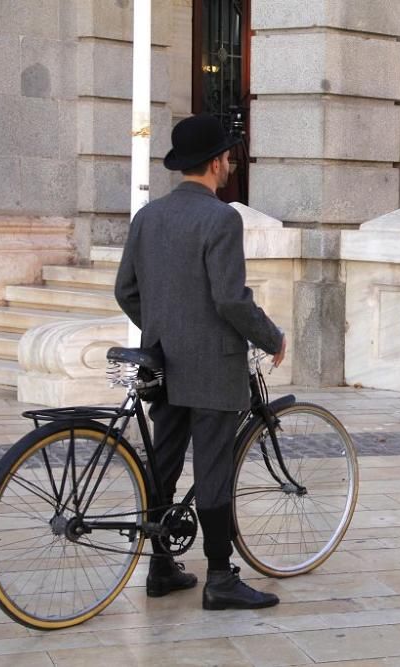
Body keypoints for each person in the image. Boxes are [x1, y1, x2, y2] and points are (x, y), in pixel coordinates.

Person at [114, 113, 287, 611]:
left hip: (161, 361)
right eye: (229, 155)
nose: (231, 162)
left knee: (163, 462)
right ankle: (219, 577)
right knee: (213, 469)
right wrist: (270, 335)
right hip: (213, 365)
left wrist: (163, 327)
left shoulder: (148, 217)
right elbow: (231, 301)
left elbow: (125, 289)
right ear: (215, 162)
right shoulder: (221, 218)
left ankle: (160, 565)